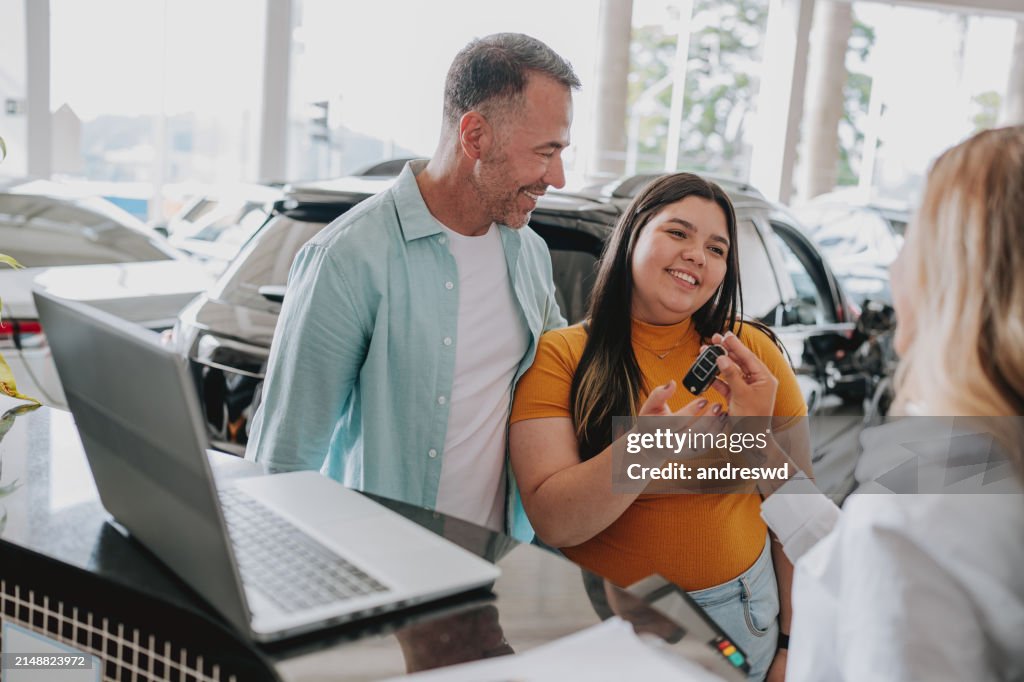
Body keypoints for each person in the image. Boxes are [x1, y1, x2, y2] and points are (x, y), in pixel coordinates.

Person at [718, 125, 1024, 680]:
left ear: (954, 275)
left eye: (911, 239)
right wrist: (751, 450)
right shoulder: (989, 446)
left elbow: (888, 553)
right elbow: (857, 562)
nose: (892, 269)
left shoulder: (925, 505)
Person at [247, 33, 579, 539]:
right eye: (545, 152)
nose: (557, 177)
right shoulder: (348, 257)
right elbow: (284, 459)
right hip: (380, 568)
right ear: (475, 137)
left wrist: (716, 438)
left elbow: (564, 375)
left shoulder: (528, 251)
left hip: (495, 569)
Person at [509, 172, 813, 680]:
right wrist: (645, 450)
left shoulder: (751, 353)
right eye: (678, 232)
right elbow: (553, 520)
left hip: (739, 618)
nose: (698, 254)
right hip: (606, 623)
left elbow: (796, 511)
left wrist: (792, 642)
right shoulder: (560, 357)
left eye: (717, 248)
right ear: (633, 235)